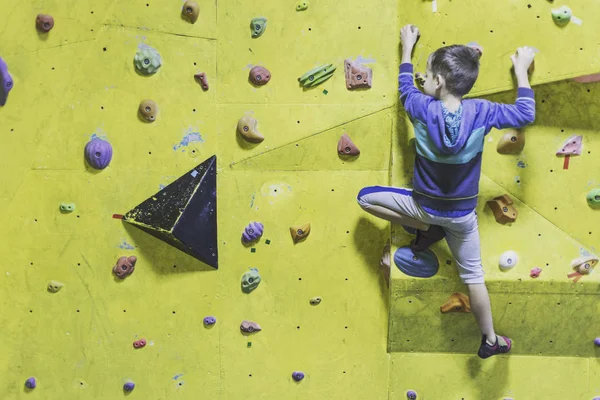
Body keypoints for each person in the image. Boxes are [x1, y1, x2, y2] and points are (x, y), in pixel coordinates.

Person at [356, 24, 536, 359]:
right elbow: (526, 112)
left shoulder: (421, 108)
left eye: (428, 75)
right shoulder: (482, 111)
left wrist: (407, 49)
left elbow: (404, 86)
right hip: (463, 218)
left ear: (438, 82)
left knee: (365, 197)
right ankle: (490, 339)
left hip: (424, 208)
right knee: (474, 278)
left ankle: (426, 229)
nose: (422, 79)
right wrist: (522, 70)